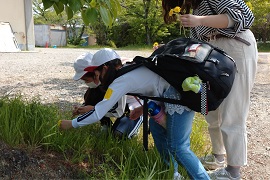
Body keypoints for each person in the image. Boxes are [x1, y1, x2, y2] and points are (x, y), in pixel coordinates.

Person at [59, 48, 210, 179]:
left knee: (178, 147)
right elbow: (155, 85)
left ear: (104, 68)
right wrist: (141, 109)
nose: (97, 79)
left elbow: (99, 112)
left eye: (97, 74)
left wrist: (72, 124)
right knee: (156, 128)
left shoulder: (120, 81)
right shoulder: (128, 68)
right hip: (169, 95)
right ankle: (173, 173)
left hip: (178, 95)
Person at [161, 0, 258, 179]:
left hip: (236, 48)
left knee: (232, 111)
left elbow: (241, 16)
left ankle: (233, 171)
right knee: (210, 107)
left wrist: (200, 20)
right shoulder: (194, 4)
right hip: (211, 53)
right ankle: (218, 156)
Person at [72, 52, 143, 138]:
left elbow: (118, 110)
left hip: (136, 107)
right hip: (121, 102)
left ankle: (137, 122)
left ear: (96, 74)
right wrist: (83, 107)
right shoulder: (105, 71)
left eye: (86, 80)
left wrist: (93, 109)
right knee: (94, 93)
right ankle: (106, 124)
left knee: (118, 134)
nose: (86, 83)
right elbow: (95, 98)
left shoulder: (118, 75)